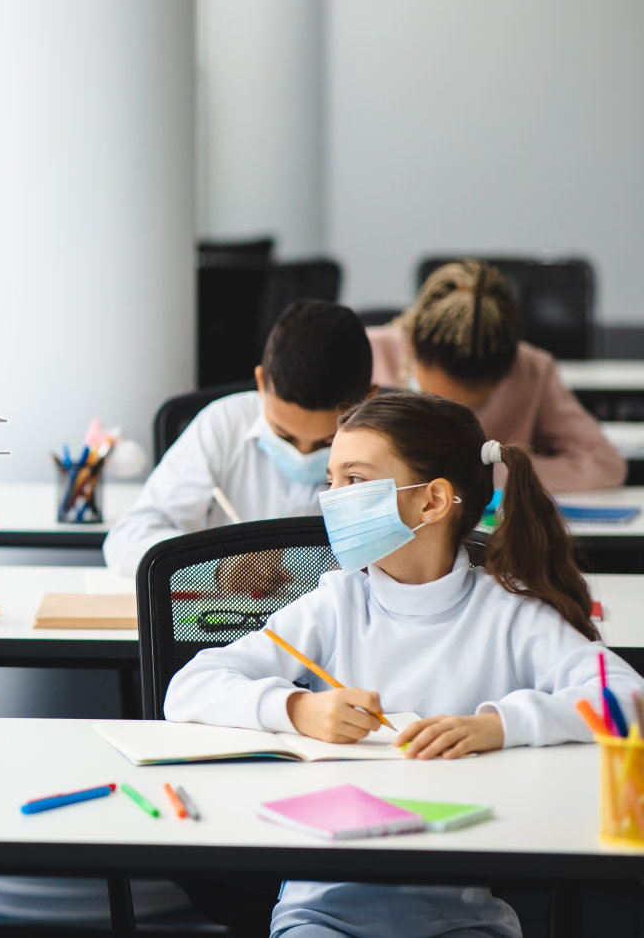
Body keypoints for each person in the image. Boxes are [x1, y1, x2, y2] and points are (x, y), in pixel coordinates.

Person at [166, 392, 642, 938]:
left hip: (460, 916)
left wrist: (499, 725)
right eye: (331, 480)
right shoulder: (337, 600)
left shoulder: (508, 611)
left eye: (355, 479)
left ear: (432, 500)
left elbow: (629, 699)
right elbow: (189, 687)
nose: (331, 499)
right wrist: (297, 707)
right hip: (320, 911)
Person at [104, 300, 374, 576]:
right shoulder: (223, 426)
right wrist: (216, 566)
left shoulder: (397, 450)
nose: (302, 455)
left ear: (370, 401)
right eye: (284, 435)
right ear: (260, 384)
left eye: (327, 442)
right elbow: (127, 539)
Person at [368, 259, 623, 491]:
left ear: (507, 370)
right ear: (413, 344)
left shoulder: (532, 368)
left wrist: (493, 471)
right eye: (436, 401)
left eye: (475, 407)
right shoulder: (367, 354)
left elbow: (603, 462)